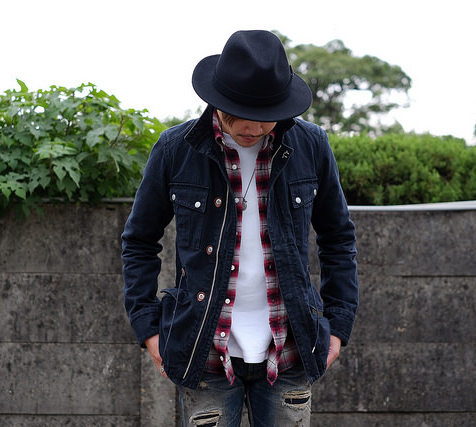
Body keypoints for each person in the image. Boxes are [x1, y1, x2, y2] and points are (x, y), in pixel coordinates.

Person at [121, 30, 358, 426]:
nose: (252, 127)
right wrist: (148, 328)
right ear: (217, 100)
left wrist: (338, 326)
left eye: (265, 117)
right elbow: (139, 241)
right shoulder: (176, 148)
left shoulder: (312, 145)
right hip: (203, 349)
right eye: (238, 114)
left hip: (290, 347)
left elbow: (338, 238)